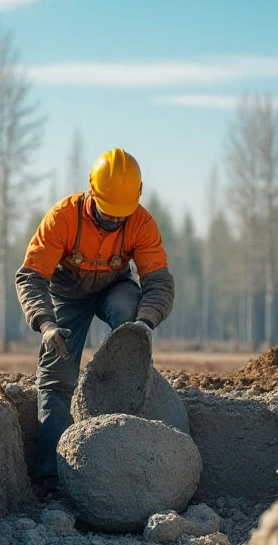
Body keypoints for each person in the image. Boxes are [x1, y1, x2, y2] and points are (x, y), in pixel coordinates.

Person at [16, 148, 175, 481]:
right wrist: (46, 326)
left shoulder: (141, 223)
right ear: (91, 188)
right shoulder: (62, 218)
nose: (114, 220)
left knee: (129, 315)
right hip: (66, 297)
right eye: (107, 212)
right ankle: (52, 479)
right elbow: (31, 277)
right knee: (55, 373)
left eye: (121, 214)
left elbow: (159, 283)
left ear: (137, 198)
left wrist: (144, 325)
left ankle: (127, 392)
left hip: (114, 291)